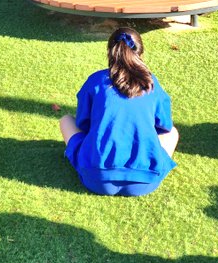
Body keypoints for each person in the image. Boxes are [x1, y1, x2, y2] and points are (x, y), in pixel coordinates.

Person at [59, 27, 178, 196]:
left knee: (65, 120)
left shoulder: (96, 81)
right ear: (140, 53)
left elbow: (82, 123)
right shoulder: (151, 83)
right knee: (173, 133)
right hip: (145, 182)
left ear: (110, 52)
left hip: (96, 178)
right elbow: (164, 126)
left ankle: (79, 157)